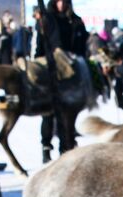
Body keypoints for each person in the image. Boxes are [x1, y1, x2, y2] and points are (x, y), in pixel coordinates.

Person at [34, 0, 88, 162]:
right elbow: (40, 46)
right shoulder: (48, 19)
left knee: (69, 112)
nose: (61, 4)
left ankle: (67, 144)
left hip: (71, 71)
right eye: (58, 1)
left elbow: (81, 45)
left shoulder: (75, 20)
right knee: (49, 112)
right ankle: (46, 147)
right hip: (51, 69)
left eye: (64, 1)